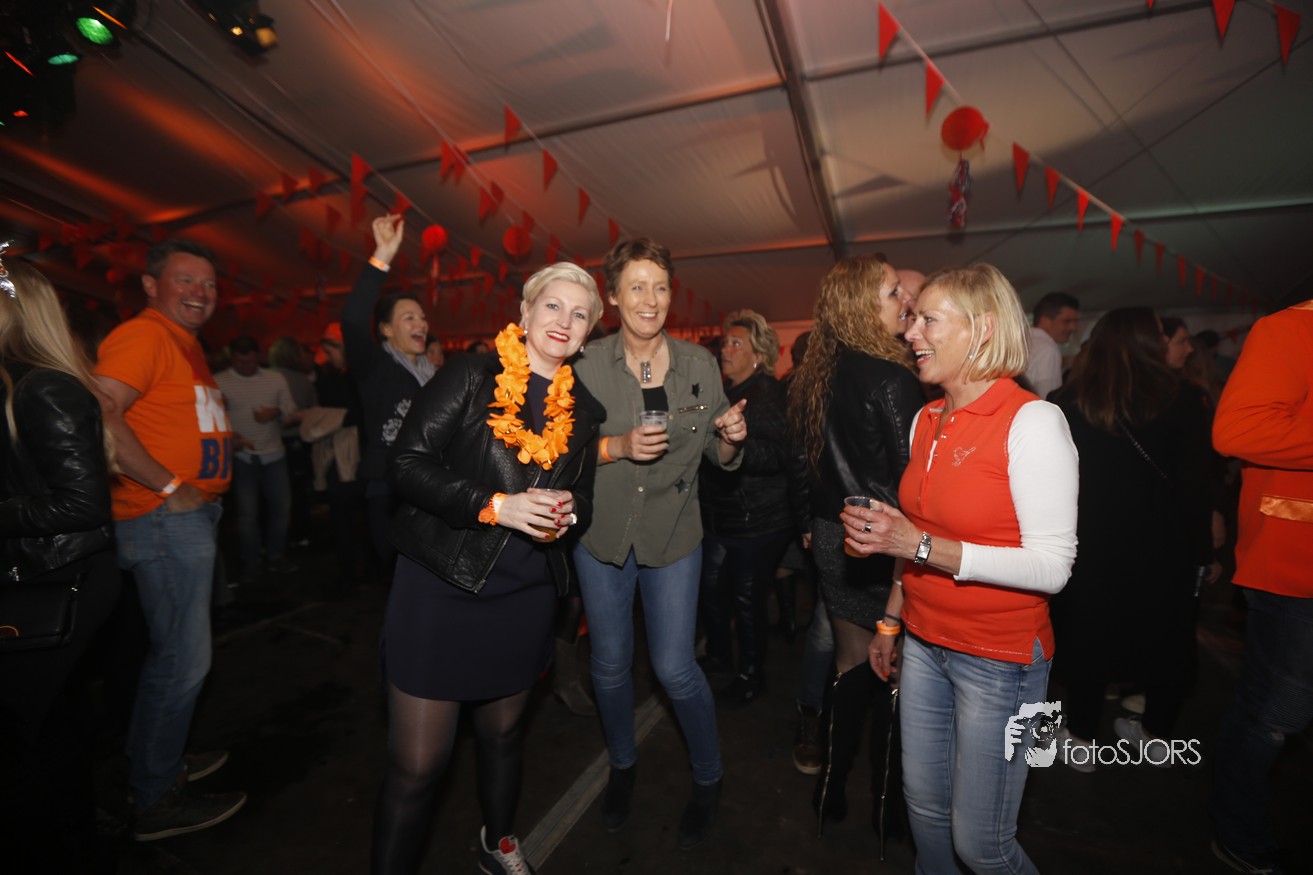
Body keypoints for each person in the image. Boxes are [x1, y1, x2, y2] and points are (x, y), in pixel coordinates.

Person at [371, 262, 606, 875]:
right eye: (552, 305)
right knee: (418, 766)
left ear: (587, 335)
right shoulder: (471, 376)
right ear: (524, 313)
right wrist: (496, 505)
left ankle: (498, 842)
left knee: (503, 736)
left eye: (579, 314)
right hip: (441, 585)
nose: (564, 320)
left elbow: (585, 498)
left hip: (524, 594)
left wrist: (570, 511)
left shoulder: (586, 412)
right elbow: (406, 463)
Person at [847, 263, 1078, 875]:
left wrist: (920, 544)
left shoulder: (1032, 421)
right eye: (913, 318)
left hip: (999, 659)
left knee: (983, 845)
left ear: (983, 328)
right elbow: (915, 536)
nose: (911, 332)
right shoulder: (927, 419)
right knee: (924, 811)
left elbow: (1052, 568)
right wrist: (891, 621)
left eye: (929, 319)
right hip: (925, 644)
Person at [571, 237, 748, 850]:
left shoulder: (700, 364)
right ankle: (623, 766)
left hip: (674, 536)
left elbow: (720, 455)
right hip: (601, 538)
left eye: (661, 287)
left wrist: (731, 436)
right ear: (613, 296)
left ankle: (709, 776)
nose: (650, 299)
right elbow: (555, 454)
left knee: (674, 668)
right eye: (637, 287)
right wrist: (615, 447)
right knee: (609, 666)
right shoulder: (585, 363)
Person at [93, 238, 246, 841]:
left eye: (208, 284)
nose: (201, 293)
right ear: (151, 286)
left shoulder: (183, 343)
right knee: (183, 660)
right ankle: (154, 794)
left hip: (186, 515)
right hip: (164, 516)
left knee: (175, 655)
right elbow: (100, 411)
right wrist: (168, 485)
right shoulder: (144, 335)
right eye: (186, 280)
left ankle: (155, 759)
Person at [788, 254, 924, 832]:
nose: (904, 301)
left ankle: (829, 790)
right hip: (883, 542)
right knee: (894, 674)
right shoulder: (892, 377)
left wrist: (808, 521)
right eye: (893, 292)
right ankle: (887, 808)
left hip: (831, 533)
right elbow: (913, 480)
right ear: (861, 305)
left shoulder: (817, 372)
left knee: (848, 664)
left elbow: (801, 462)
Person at [1048, 309, 1214, 768]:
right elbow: (1196, 486)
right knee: (1167, 637)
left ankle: (1081, 739)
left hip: (1093, 542)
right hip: (1165, 543)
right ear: (1145, 341)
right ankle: (1156, 736)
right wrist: (1203, 551)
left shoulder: (1069, 401)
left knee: (1091, 633)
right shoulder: (1183, 400)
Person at [0, 254, 119, 872]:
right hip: (43, 573)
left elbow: (81, 504)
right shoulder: (18, 384)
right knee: (54, 725)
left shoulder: (43, 387)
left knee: (27, 736)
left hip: (60, 579)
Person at [1208, 297, 1313, 875]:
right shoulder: (1293, 329)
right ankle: (1238, 831)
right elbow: (1239, 429)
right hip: (1298, 566)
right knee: (1277, 713)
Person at [698, 309, 792, 706]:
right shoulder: (724, 391)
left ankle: (752, 675)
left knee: (747, 601)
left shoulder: (766, 393)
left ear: (758, 355)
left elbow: (775, 454)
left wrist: (732, 448)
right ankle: (719, 655)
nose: (726, 349)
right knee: (712, 590)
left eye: (737, 343)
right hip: (722, 517)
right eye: (726, 342)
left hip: (757, 520)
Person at [343, 215, 435, 581]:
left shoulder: (434, 374)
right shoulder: (375, 366)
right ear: (385, 329)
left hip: (428, 486)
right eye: (409, 318)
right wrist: (382, 255)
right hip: (388, 487)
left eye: (422, 317)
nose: (421, 324)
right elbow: (352, 320)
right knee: (398, 576)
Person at [213, 334, 301, 584]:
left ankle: (276, 556)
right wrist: (229, 435)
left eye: (250, 362)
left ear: (258, 357)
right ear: (232, 358)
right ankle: (251, 564)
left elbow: (292, 410)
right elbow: (211, 420)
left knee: (281, 509)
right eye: (240, 363)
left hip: (274, 453)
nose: (246, 367)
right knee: (246, 515)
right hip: (242, 456)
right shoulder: (219, 381)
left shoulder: (275, 378)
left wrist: (277, 411)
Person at [269, 335, 317, 549]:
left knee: (274, 494)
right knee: (298, 492)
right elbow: (314, 410)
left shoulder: (267, 377)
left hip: (272, 440)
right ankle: (301, 534)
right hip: (298, 440)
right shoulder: (302, 380)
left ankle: (277, 539)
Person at [1023, 291, 1079, 399]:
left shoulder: (1020, 341)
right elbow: (1048, 396)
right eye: (1067, 321)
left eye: (1075, 322)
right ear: (1044, 321)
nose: (1073, 328)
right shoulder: (1048, 350)